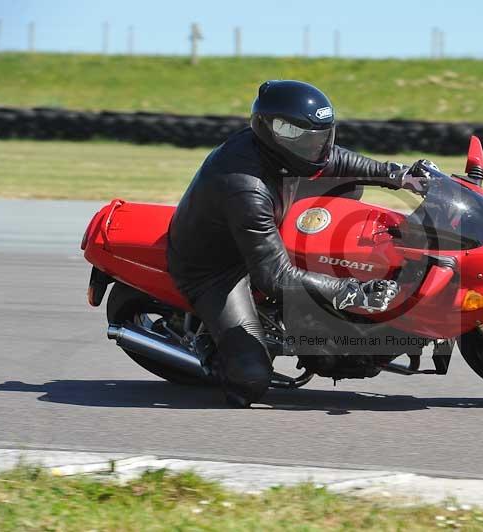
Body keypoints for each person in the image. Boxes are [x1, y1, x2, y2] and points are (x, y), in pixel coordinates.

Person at [166, 80, 434, 407]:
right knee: (250, 379)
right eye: (310, 140)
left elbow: (335, 160)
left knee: (349, 187)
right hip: (218, 268)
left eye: (322, 137)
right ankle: (212, 344)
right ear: (276, 132)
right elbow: (274, 278)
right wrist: (354, 292)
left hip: (263, 224)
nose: (319, 148)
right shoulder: (245, 188)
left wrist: (399, 175)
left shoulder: (283, 154)